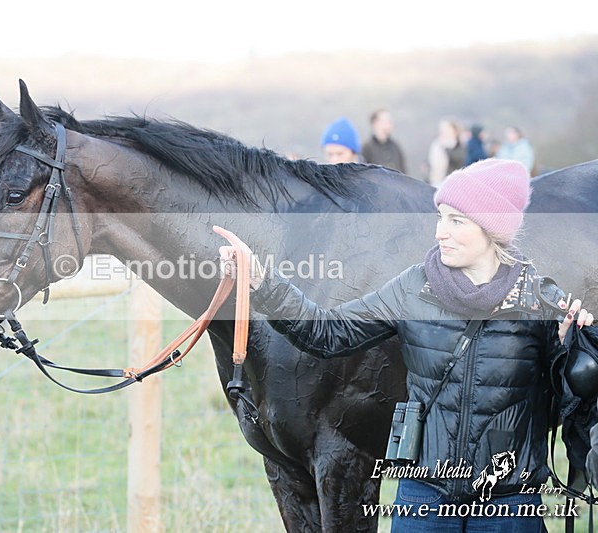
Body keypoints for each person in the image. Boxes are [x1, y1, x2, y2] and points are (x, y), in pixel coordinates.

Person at [216, 158, 598, 531]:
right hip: (423, 501)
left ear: (491, 230)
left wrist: (578, 352)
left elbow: (572, 408)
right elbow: (328, 334)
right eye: (441, 217)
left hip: (508, 505)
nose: (440, 232)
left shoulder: (540, 301)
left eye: (456, 220)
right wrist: (262, 282)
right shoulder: (414, 287)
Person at [361, 108, 407, 173]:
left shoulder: (396, 146)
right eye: (387, 121)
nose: (391, 124)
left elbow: (404, 173)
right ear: (375, 123)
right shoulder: (366, 148)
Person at [426, 118, 465, 186]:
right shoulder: (437, 145)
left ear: (454, 131)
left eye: (447, 129)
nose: (443, 131)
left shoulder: (459, 145)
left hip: (452, 183)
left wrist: (446, 149)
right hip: (435, 182)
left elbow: (458, 161)